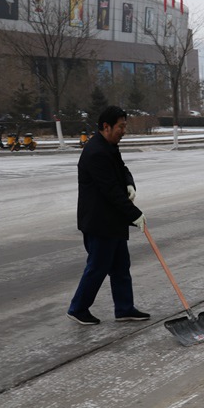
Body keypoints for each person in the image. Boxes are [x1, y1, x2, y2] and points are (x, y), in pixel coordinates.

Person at [67, 106, 149, 325]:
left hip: (112, 220)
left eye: (124, 126)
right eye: (120, 126)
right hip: (99, 221)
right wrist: (135, 215)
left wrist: (130, 184)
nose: (124, 131)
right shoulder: (95, 153)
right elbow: (111, 191)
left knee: (121, 266)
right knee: (98, 267)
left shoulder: (109, 146)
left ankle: (124, 308)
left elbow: (121, 169)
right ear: (106, 127)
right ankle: (78, 308)